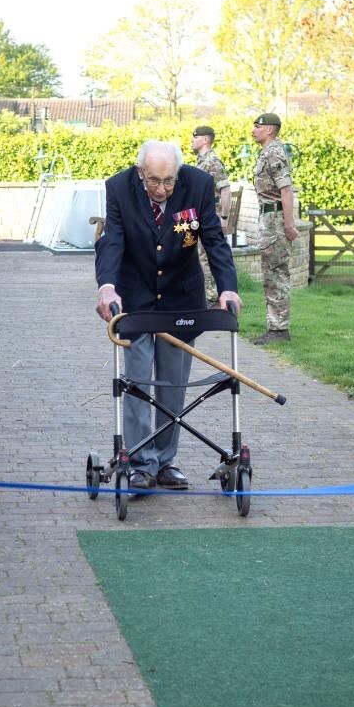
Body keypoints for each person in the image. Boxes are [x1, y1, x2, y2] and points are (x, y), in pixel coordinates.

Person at [95, 140, 241, 492]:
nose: (162, 189)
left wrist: (228, 287)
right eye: (153, 181)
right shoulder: (118, 187)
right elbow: (112, 239)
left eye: (169, 181)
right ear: (140, 172)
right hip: (136, 298)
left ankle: (165, 461)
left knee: (173, 385)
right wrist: (107, 286)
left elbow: (213, 239)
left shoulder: (199, 184)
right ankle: (140, 464)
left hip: (180, 298)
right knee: (139, 382)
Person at [249, 112, 299, 344]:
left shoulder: (274, 153)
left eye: (257, 126)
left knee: (276, 274)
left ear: (269, 130)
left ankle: (279, 330)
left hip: (276, 220)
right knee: (271, 273)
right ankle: (275, 326)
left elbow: (286, 190)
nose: (253, 129)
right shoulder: (267, 152)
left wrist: (289, 224)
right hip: (269, 218)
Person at [190, 125, 232, 306]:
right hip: (197, 217)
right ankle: (209, 295)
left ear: (205, 139)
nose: (192, 140)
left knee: (208, 257)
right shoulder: (201, 162)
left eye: (195, 137)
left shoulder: (213, 162)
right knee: (201, 257)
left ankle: (213, 297)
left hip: (211, 216)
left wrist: (223, 217)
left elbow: (225, 190)